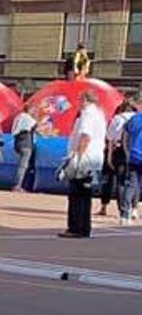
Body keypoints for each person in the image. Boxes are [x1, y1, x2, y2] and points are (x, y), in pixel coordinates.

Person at [60, 92, 106, 238]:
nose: (78, 103)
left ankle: (76, 227)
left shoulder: (87, 115)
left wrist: (77, 157)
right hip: (94, 158)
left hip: (84, 158)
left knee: (76, 193)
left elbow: (85, 136)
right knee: (85, 194)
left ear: (85, 100)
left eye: (80, 99)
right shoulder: (99, 115)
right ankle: (83, 227)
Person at [99, 101, 134, 217]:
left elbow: (110, 138)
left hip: (118, 150)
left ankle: (118, 208)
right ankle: (132, 208)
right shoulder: (137, 118)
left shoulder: (117, 118)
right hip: (135, 150)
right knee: (132, 181)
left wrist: (109, 156)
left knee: (116, 181)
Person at [121, 94, 142, 226]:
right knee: (137, 184)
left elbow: (124, 135)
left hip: (134, 155)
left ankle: (125, 212)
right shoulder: (134, 119)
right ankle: (134, 209)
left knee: (131, 184)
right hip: (136, 155)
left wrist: (126, 150)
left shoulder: (134, 119)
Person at [11, 104, 37, 192]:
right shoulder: (29, 119)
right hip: (26, 144)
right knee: (22, 166)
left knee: (19, 165)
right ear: (29, 110)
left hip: (17, 143)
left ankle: (17, 184)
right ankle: (17, 185)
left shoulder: (18, 117)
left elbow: (14, 130)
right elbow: (35, 127)